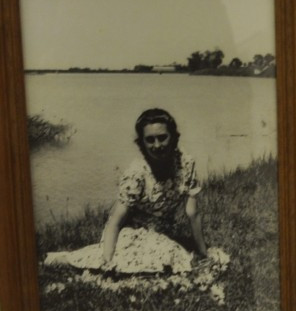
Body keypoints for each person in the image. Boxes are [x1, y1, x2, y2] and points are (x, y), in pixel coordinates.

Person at [46, 107, 210, 274]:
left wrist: (203, 253)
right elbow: (115, 221)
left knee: (170, 258)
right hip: (132, 233)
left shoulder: (186, 164)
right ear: (142, 143)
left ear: (174, 137)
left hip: (165, 233)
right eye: (150, 140)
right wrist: (107, 262)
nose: (157, 145)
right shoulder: (136, 174)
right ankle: (65, 259)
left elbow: (193, 213)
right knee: (155, 260)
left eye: (162, 138)